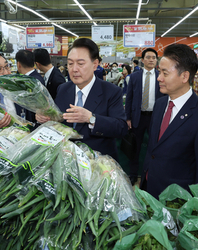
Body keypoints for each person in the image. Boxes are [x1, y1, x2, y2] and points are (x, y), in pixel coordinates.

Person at [36, 38, 128, 161]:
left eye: (80, 64)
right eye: (70, 63)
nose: (74, 69)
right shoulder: (63, 89)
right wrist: (46, 118)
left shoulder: (111, 91)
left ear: (95, 64)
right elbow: (59, 119)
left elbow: (121, 128)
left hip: (98, 163)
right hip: (66, 159)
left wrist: (91, 118)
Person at [141, 44, 198, 199]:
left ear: (185, 77)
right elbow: (153, 148)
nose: (159, 78)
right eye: (160, 72)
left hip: (178, 199)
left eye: (164, 73)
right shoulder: (160, 104)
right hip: (150, 188)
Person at [125, 48, 164, 186]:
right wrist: (128, 118)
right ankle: (133, 174)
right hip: (138, 118)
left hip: (156, 117)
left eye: (154, 57)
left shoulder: (161, 76)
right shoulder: (134, 77)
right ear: (142, 60)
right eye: (148, 57)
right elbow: (129, 98)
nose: (151, 60)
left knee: (154, 148)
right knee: (135, 148)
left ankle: (150, 176)